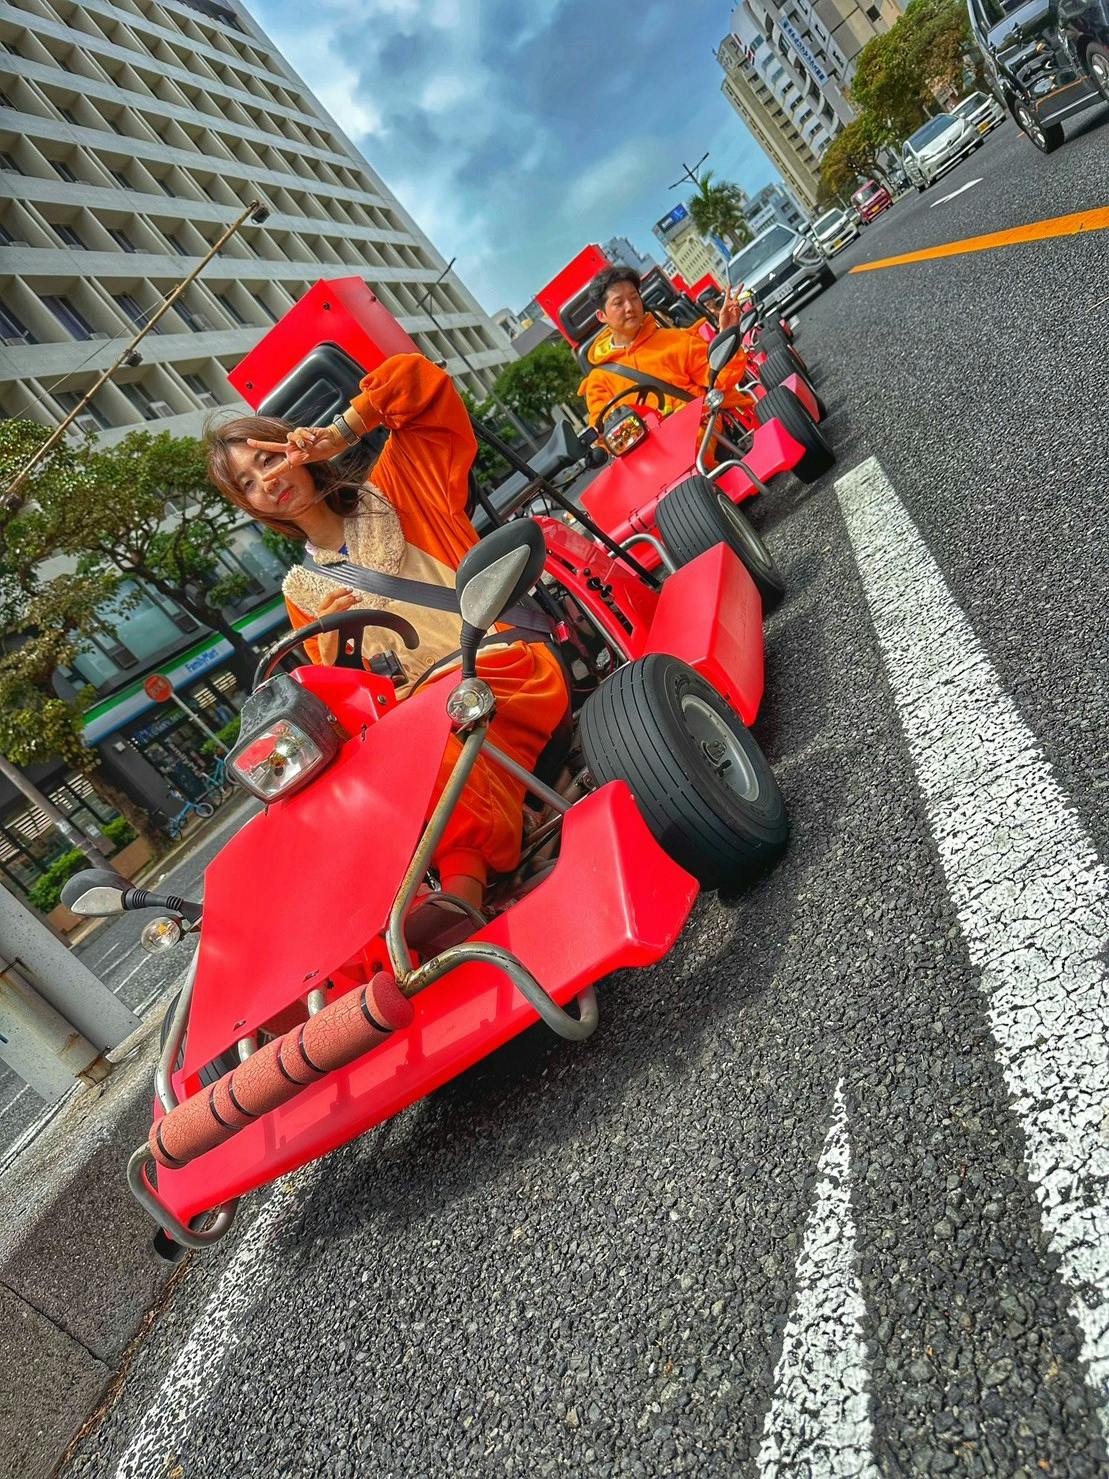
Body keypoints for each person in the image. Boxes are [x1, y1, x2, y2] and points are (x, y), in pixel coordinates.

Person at [206, 352, 569, 918]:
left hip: (501, 664)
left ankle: (463, 892)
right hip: (419, 714)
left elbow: (420, 383)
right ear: (249, 506)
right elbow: (352, 703)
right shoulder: (300, 591)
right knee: (356, 782)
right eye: (248, 483)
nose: (267, 481)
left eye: (267, 458)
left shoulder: (400, 485)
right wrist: (330, 661)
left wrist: (340, 432)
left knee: (434, 740)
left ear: (291, 447)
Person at [577, 264, 754, 432]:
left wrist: (728, 334)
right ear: (602, 316)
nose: (630, 307)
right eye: (618, 303)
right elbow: (604, 436)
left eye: (634, 298)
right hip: (651, 458)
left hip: (704, 436)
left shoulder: (676, 340)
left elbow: (721, 378)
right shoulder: (599, 381)